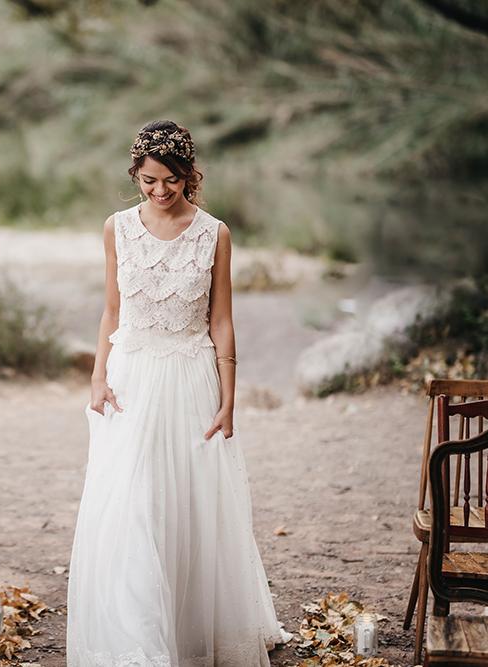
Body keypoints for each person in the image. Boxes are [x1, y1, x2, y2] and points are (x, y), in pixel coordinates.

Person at [66, 120, 291, 666]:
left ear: (189, 176)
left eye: (171, 180)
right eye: (148, 181)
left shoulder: (215, 233)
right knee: (132, 502)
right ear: (135, 176)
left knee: (189, 503)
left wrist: (229, 398)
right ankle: (137, 641)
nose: (160, 191)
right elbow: (113, 311)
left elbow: (221, 322)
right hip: (132, 378)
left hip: (192, 377)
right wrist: (98, 376)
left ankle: (187, 631)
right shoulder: (116, 228)